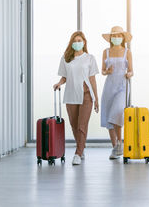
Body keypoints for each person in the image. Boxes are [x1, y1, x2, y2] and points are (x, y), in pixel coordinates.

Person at [54, 31, 99, 165]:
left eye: (80, 40)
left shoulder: (90, 58)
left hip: (86, 95)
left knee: (82, 125)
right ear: (71, 43)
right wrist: (59, 83)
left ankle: (78, 153)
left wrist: (96, 98)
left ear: (84, 42)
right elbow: (64, 76)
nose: (77, 43)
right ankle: (81, 147)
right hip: (71, 95)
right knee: (74, 125)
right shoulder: (66, 58)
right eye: (75, 40)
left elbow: (92, 79)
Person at [100, 26, 133, 159]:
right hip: (109, 86)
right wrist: (107, 71)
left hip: (122, 86)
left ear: (123, 38)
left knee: (116, 113)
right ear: (111, 38)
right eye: (114, 36)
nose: (117, 38)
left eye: (119, 36)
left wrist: (128, 74)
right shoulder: (106, 51)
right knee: (109, 116)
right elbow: (102, 70)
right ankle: (115, 147)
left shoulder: (127, 51)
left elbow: (131, 70)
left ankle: (120, 143)